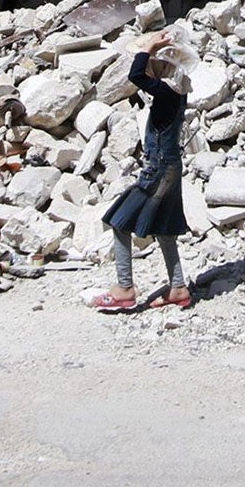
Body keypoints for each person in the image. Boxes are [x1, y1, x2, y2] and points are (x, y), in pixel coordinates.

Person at [87, 31, 194, 312]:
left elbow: (136, 75)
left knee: (119, 220)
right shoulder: (178, 89)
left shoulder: (168, 91)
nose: (149, 68)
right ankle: (178, 287)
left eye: (154, 63)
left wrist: (147, 46)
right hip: (170, 165)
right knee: (164, 227)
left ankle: (124, 288)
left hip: (158, 166)